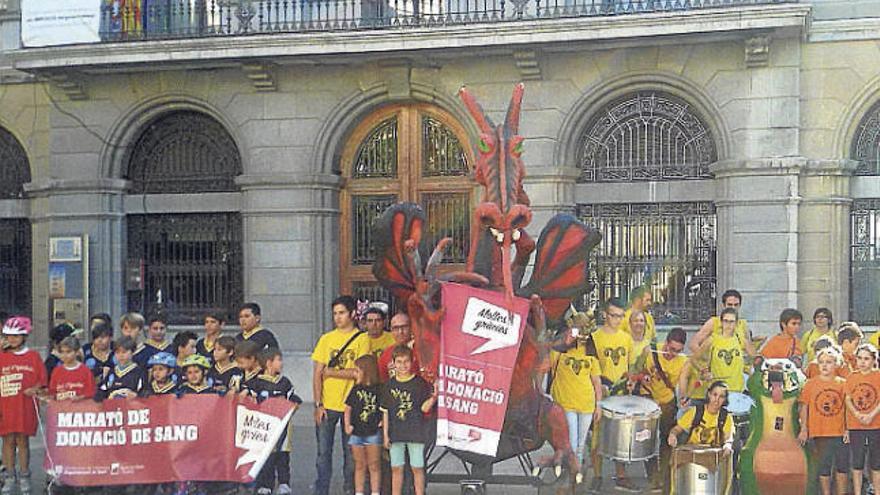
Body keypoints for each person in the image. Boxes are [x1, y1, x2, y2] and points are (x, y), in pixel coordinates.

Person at [312, 295, 371, 495]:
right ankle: (321, 490)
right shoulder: (326, 339)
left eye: (342, 313)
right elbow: (317, 373)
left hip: (351, 405)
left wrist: (331, 373)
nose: (337, 317)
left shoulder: (362, 339)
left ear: (353, 314)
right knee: (322, 454)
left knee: (351, 454)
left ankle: (349, 488)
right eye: (335, 313)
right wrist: (318, 404)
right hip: (327, 404)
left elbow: (359, 374)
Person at [589, 298, 636, 493]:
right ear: (604, 315)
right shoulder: (594, 338)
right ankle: (597, 476)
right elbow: (591, 368)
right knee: (597, 438)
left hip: (622, 393)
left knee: (622, 436)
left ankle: (621, 476)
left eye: (620, 316)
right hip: (602, 391)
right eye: (613, 315)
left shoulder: (626, 338)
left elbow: (630, 364)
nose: (617, 319)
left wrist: (631, 379)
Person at [636, 328, 688, 492]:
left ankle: (663, 476)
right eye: (671, 349)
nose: (673, 353)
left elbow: (684, 382)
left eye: (678, 351)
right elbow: (636, 370)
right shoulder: (650, 350)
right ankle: (653, 476)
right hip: (647, 399)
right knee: (646, 439)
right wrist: (642, 376)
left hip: (667, 402)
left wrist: (684, 397)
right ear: (665, 342)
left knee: (667, 439)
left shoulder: (683, 361)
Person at [0, 317, 47, 495]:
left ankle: (25, 474)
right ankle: (10, 475)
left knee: (23, 441)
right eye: (8, 336)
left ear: (24, 336)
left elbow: (42, 380)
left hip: (25, 407)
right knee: (7, 441)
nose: (12, 340)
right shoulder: (2, 356)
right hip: (5, 406)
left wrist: (34, 389)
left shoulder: (33, 356)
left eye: (16, 336)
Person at [381, 346, 437, 495]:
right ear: (393, 363)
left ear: (412, 361)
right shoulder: (388, 385)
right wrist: (385, 435)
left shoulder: (419, 383)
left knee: (417, 468)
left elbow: (424, 408)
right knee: (396, 468)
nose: (403, 365)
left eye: (406, 361)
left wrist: (434, 397)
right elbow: (385, 412)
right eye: (399, 362)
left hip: (416, 432)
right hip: (396, 433)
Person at [549, 325, 602, 473]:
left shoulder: (591, 354)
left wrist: (598, 405)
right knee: (571, 443)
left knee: (580, 444)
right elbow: (548, 365)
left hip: (587, 403)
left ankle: (575, 474)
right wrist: (566, 341)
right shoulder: (560, 351)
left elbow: (596, 381)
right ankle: (571, 473)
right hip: (565, 402)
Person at [251, 348, 302, 495]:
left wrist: (289, 409)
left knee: (283, 456)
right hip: (264, 427)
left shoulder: (284, 383)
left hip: (283, 427)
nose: (281, 363)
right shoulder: (257, 383)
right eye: (278, 360)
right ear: (269, 363)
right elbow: (250, 400)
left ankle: (284, 483)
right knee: (266, 456)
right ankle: (265, 484)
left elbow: (295, 401)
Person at [798, 346, 848, 495]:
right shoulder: (810, 384)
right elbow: (804, 407)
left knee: (842, 466)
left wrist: (848, 429)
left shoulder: (843, 383)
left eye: (829, 362)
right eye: (822, 362)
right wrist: (804, 429)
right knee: (824, 467)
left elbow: (848, 409)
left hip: (839, 431)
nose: (825, 365)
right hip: (819, 432)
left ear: (836, 364)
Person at [844, 343, 880, 495]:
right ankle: (857, 492)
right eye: (859, 358)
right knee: (857, 462)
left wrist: (871, 415)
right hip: (856, 426)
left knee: (876, 463)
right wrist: (857, 414)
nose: (863, 362)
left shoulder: (878, 376)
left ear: (873, 360)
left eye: (866, 359)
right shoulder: (852, 377)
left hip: (876, 425)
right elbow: (848, 399)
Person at [345, 355, 383, 495]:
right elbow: (348, 408)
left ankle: (375, 492)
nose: (356, 373)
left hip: (373, 431)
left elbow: (385, 408)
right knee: (359, 465)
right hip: (357, 432)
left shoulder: (379, 389)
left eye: (358, 370)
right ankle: (359, 492)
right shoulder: (355, 389)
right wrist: (347, 425)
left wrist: (383, 422)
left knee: (374, 465)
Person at [668, 380, 734, 453]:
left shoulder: (726, 416)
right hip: (693, 452)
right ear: (709, 394)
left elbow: (728, 437)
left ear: (725, 399)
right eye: (714, 395)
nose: (717, 399)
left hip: (714, 455)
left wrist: (728, 445)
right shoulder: (696, 411)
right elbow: (677, 429)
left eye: (721, 396)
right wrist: (672, 435)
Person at [689, 289, 756, 359]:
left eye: (736, 305)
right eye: (730, 305)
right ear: (724, 305)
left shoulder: (743, 324)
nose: (733, 308)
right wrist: (706, 361)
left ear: (740, 305)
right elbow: (693, 344)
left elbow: (750, 350)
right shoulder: (713, 322)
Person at [704, 308, 746, 392]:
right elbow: (695, 359)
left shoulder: (740, 339)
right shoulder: (712, 339)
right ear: (721, 322)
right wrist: (704, 372)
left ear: (736, 323)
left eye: (731, 321)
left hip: (737, 390)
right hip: (717, 391)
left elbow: (752, 356)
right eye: (726, 321)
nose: (728, 324)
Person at [47, 336, 95, 401]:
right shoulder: (56, 371)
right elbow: (52, 393)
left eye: (68, 352)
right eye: (62, 352)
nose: (65, 355)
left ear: (77, 352)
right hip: (61, 408)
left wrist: (80, 398)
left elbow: (91, 393)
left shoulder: (85, 371)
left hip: (80, 408)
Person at [379, 313, 421, 382]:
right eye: (396, 328)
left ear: (411, 328)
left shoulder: (422, 351)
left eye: (404, 327)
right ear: (391, 330)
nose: (400, 331)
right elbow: (383, 383)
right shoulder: (385, 355)